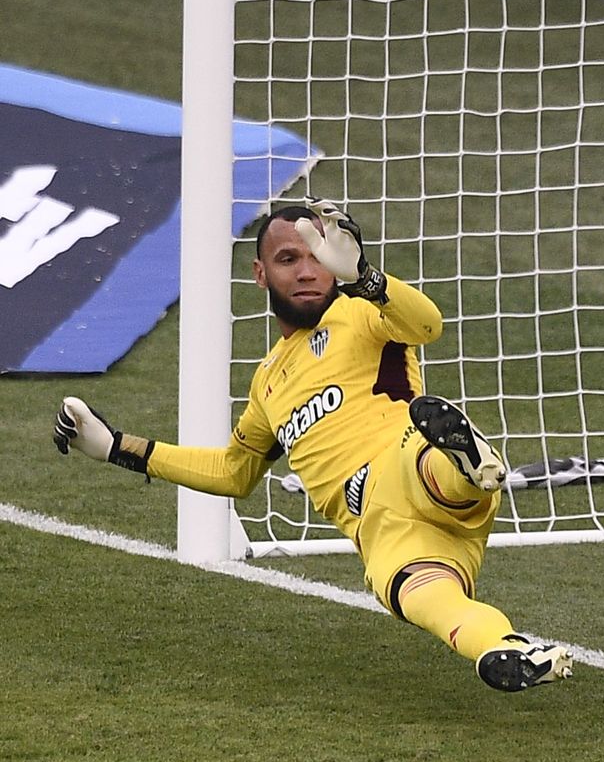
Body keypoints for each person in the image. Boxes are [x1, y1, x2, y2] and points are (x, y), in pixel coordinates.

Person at [52, 199, 573, 693]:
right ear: (260, 274)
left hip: (405, 463)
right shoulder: (267, 382)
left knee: (422, 463)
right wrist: (119, 447)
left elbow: (428, 325)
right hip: (381, 530)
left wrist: (366, 278)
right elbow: (234, 473)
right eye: (288, 260)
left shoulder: (363, 312)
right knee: (422, 596)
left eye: (317, 258)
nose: (306, 272)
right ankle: (507, 648)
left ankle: (462, 464)